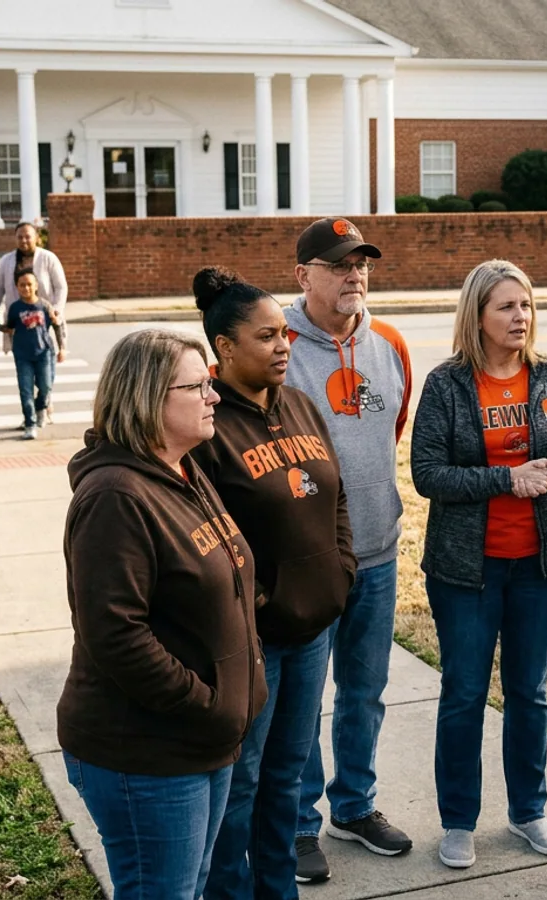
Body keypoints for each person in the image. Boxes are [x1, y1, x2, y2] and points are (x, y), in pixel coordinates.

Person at [58, 328, 265, 899]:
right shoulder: (115, 497)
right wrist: (208, 704)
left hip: (205, 738)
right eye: (198, 385)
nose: (214, 396)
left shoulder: (184, 470)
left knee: (190, 887)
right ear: (149, 398)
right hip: (147, 750)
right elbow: (116, 636)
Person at [410, 259, 547, 870]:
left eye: (527, 305)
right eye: (507, 307)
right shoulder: (446, 384)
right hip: (466, 570)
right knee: (463, 693)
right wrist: (505, 480)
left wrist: (544, 474)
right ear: (477, 317)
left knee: (529, 694)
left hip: (540, 564)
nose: (521, 317)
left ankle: (528, 811)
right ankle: (459, 820)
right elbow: (427, 474)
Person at [192, 267, 356, 900]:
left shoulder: (299, 403)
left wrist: (340, 571)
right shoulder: (208, 422)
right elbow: (201, 533)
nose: (284, 345)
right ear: (225, 348)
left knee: (288, 774)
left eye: (285, 333)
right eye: (266, 337)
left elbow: (335, 495)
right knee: (245, 779)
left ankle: (277, 887)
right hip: (254, 643)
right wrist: (254, 607)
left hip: (314, 629)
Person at [285, 217, 415, 882]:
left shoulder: (388, 342)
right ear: (302, 274)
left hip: (377, 552)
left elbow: (390, 428)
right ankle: (300, 824)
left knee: (365, 691)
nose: (354, 275)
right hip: (303, 563)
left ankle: (355, 807)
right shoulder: (272, 344)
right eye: (338, 265)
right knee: (302, 699)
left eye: (360, 263)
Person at [0, 222, 69, 425]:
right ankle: (35, 412)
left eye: (28, 236)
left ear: (37, 237)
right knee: (26, 374)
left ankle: (44, 404)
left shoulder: (48, 258)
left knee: (47, 371)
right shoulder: (7, 261)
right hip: (20, 321)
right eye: (20, 237)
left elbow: (61, 287)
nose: (24, 241)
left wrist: (57, 311)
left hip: (48, 320)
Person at [1, 270, 65, 440]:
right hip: (23, 355)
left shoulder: (44, 306)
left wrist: (62, 348)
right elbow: (9, 327)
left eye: (29, 284)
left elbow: (57, 326)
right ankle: (30, 423)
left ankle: (41, 408)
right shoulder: (15, 308)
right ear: (17, 287)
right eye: (22, 285)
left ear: (36, 286)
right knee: (25, 389)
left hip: (44, 352)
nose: (26, 288)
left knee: (46, 386)